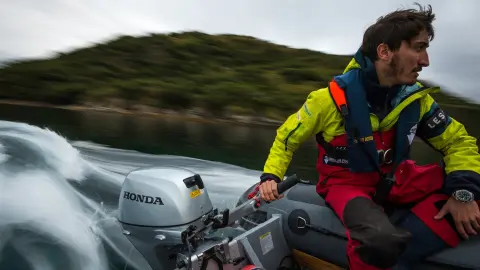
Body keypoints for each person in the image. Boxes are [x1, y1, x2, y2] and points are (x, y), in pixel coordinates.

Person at [257, 3, 480, 270]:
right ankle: (388, 249)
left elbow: (458, 141)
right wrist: (271, 176)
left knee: (471, 187)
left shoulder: (416, 101)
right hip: (346, 185)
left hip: (396, 178)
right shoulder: (327, 100)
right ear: (384, 51)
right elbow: (287, 137)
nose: (425, 61)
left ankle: (402, 254)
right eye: (419, 48)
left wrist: (463, 193)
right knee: (380, 240)